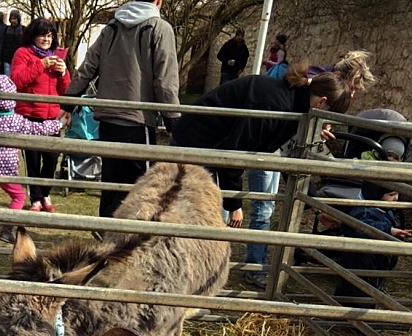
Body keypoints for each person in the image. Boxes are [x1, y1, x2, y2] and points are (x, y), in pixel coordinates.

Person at [170, 62, 353, 284]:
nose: (326, 124)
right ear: (322, 103)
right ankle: (186, 282)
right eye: (328, 117)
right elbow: (234, 154)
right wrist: (234, 203)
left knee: (207, 220)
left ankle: (190, 281)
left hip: (212, 147)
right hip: (196, 145)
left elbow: (289, 162)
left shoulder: (293, 105)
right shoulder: (273, 105)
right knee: (203, 217)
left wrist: (314, 208)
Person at [242, 52, 376, 289]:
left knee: (272, 206)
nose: (353, 94)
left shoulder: (319, 91)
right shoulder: (312, 92)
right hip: (268, 146)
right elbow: (294, 135)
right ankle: (254, 266)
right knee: (263, 206)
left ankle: (266, 263)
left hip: (281, 150)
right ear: (339, 78)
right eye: (353, 87)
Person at [61, 0, 180, 218]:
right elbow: (165, 78)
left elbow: (88, 66)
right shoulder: (159, 28)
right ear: (158, 2)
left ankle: (106, 226)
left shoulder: (112, 28)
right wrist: (172, 118)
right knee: (142, 185)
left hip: (108, 117)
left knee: (112, 179)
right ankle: (125, 235)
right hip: (137, 118)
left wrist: (70, 99)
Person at [0, 75, 63, 244]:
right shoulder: (14, 120)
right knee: (18, 196)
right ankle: (8, 228)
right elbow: (36, 128)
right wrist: (58, 124)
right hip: (6, 170)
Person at [10, 17, 70, 212]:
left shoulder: (56, 56)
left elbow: (65, 90)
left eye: (50, 35)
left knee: (51, 159)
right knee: (33, 160)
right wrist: (41, 65)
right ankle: (36, 198)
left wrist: (63, 73)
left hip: (51, 116)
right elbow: (17, 81)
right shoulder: (22, 53)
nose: (46, 39)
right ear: (33, 36)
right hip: (29, 114)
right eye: (42, 35)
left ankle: (45, 193)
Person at [334, 176, 412, 307]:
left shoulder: (384, 208)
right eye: (391, 194)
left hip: (374, 258)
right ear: (376, 194)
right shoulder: (363, 210)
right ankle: (358, 320)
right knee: (358, 289)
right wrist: (389, 230)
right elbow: (364, 228)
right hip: (361, 259)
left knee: (365, 286)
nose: (396, 198)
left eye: (398, 194)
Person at [1, 10, 24, 76]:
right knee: (8, 79)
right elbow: (2, 44)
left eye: (14, 18)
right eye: (11, 18)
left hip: (19, 59)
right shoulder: (6, 29)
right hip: (7, 59)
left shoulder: (23, 30)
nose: (13, 20)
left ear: (18, 19)